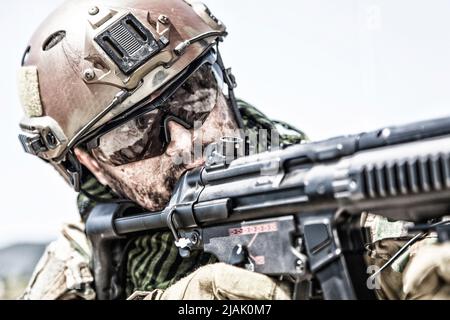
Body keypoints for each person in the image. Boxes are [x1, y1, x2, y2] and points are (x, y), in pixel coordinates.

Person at [17, 0, 449, 300]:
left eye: (195, 95)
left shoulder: (332, 198)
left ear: (225, 82)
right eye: (135, 136)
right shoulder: (87, 257)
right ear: (90, 164)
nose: (187, 140)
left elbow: (406, 259)